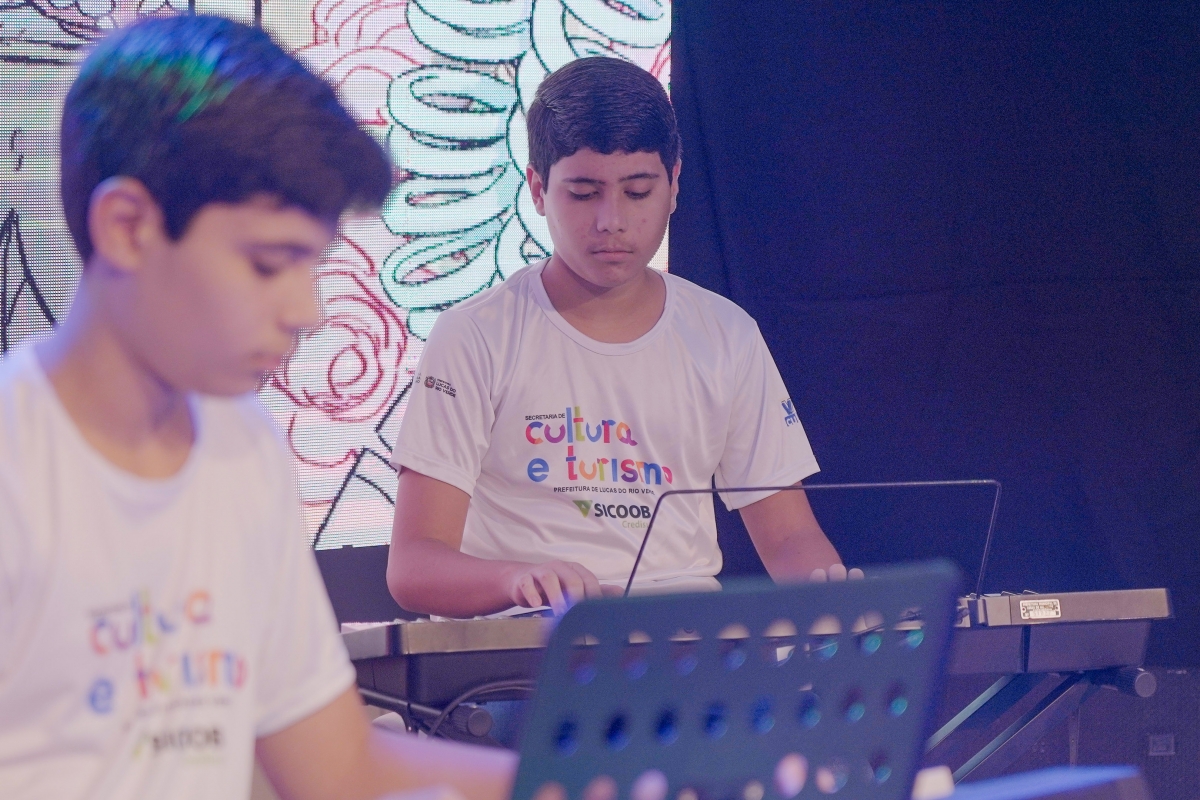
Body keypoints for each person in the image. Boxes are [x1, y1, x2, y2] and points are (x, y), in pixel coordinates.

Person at [0, 15, 515, 800]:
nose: (306, 310)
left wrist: (582, 783)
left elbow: (341, 769)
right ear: (128, 228)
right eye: (269, 263)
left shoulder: (241, 446)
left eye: (312, 266)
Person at [387, 57, 855, 620]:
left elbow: (789, 539)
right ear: (538, 189)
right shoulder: (475, 335)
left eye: (637, 192)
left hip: (683, 647)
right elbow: (414, 566)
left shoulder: (726, 333)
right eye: (584, 194)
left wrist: (836, 606)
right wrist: (517, 580)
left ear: (674, 184)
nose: (611, 220)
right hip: (527, 649)